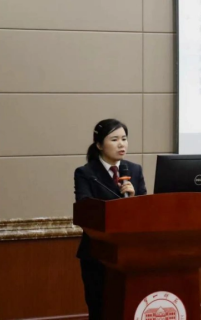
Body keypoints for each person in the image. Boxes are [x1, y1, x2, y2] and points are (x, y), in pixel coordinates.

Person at [74, 119, 147, 320]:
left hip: (130, 252)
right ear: (99, 145)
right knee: (100, 308)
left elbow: (145, 212)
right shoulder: (86, 173)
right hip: (97, 252)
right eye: (114, 139)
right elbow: (85, 209)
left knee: (128, 306)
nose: (121, 144)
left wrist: (133, 199)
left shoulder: (134, 170)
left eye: (124, 139)